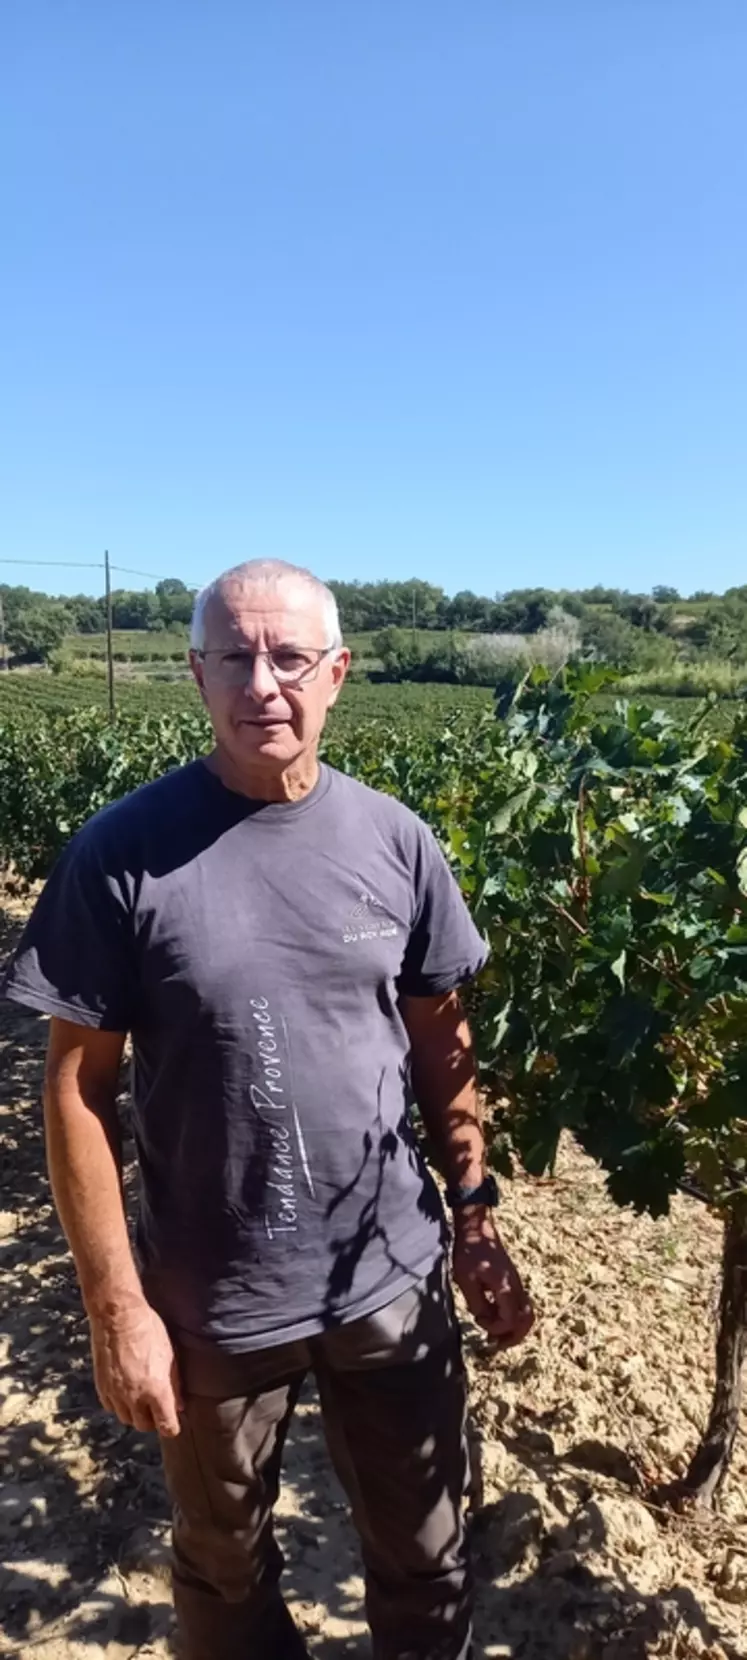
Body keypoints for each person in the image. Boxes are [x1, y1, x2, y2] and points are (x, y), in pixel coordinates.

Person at [2, 559, 533, 1660]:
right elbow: (76, 1085)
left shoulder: (397, 841)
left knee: (427, 1554)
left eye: (290, 657)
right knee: (224, 1564)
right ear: (195, 674)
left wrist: (475, 1213)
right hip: (211, 1297)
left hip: (388, 1277)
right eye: (234, 656)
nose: (263, 683)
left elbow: (442, 1046)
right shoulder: (121, 855)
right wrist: (117, 1307)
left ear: (337, 674)